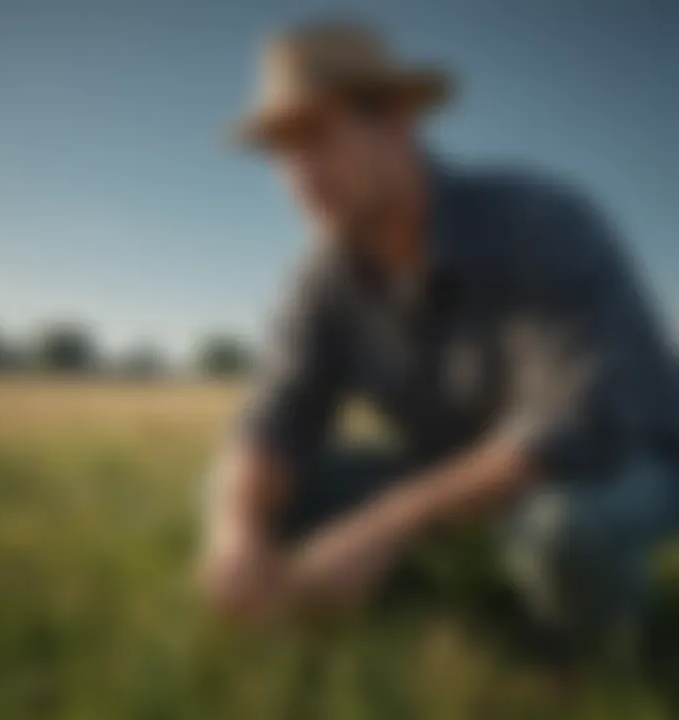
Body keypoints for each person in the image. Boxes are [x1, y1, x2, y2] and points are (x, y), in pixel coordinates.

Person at [201, 20, 679, 663]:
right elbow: (276, 417)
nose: (299, 176)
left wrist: (383, 525)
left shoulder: (538, 220)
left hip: (624, 460)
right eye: (281, 153)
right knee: (248, 492)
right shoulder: (324, 277)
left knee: (566, 530)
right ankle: (424, 623)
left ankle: (601, 665)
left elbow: (573, 422)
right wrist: (234, 531)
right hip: (462, 474)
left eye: (316, 137)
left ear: (396, 123)